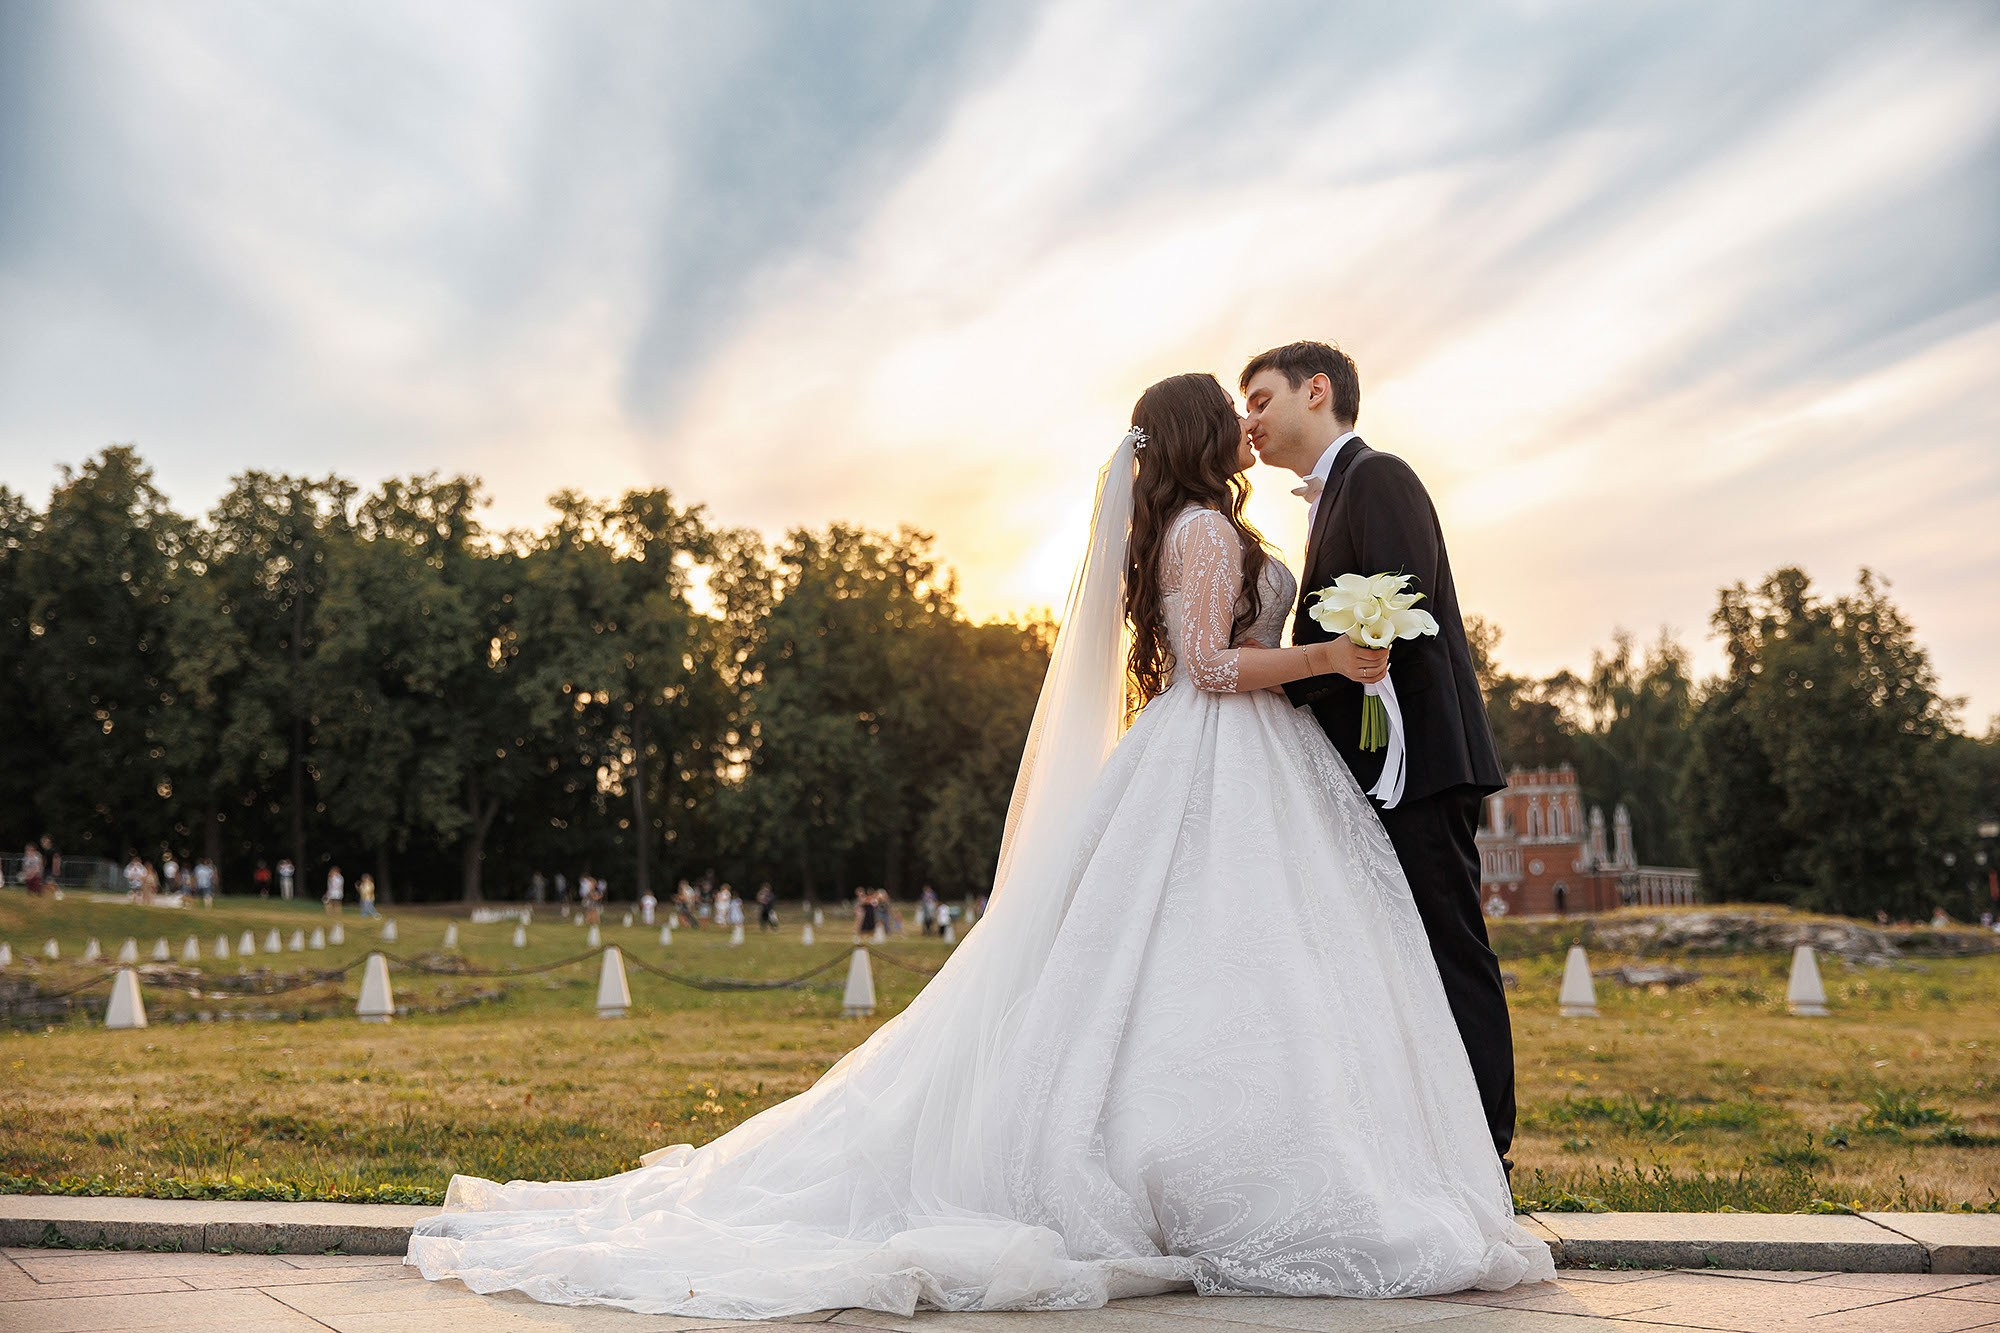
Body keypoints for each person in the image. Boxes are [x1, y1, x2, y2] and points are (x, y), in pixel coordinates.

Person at [409, 375, 1552, 1314]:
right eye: (1233, 409)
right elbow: (1207, 667)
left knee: (1252, 968)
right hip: (1214, 757)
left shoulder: (1219, 526)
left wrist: (1321, 667)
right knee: (1213, 962)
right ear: (1207, 436)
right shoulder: (1202, 532)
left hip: (1264, 769)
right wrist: (1322, 662)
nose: (1248, 426)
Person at [1245, 341, 1517, 1175]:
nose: (1248, 420)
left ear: (1316, 390)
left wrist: (1291, 676)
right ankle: (1432, 1146)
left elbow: (1404, 606)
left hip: (1420, 761)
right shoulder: (1332, 500)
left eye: (1259, 399)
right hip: (1376, 767)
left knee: (1446, 947)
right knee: (1400, 956)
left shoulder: (1379, 474)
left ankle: (1487, 1154)